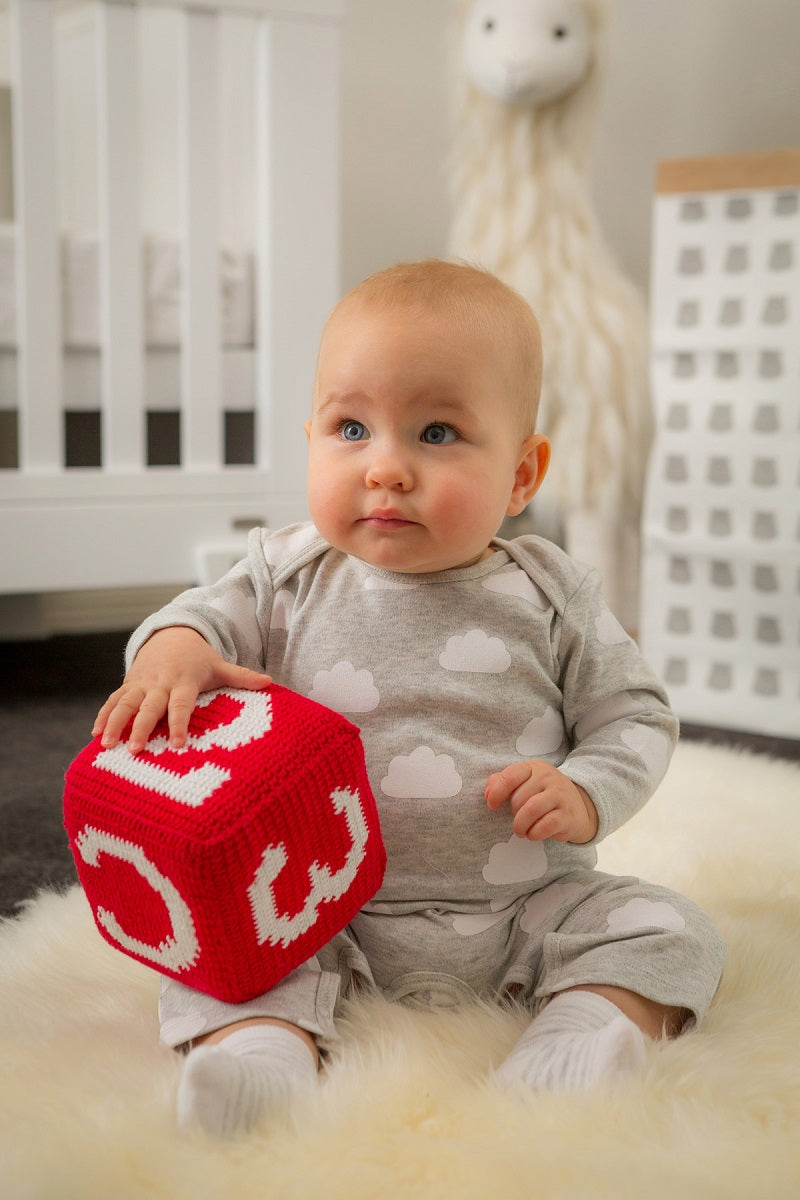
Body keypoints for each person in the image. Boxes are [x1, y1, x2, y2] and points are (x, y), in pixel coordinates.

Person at [95, 260, 725, 1138]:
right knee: (218, 951)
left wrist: (585, 791)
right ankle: (258, 1059)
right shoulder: (285, 573)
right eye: (351, 427)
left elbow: (637, 713)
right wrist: (170, 652)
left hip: (522, 908)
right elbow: (196, 621)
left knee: (673, 929)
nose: (385, 467)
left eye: (437, 432)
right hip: (314, 906)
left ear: (521, 474)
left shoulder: (553, 593)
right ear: (310, 435)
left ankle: (582, 1034)